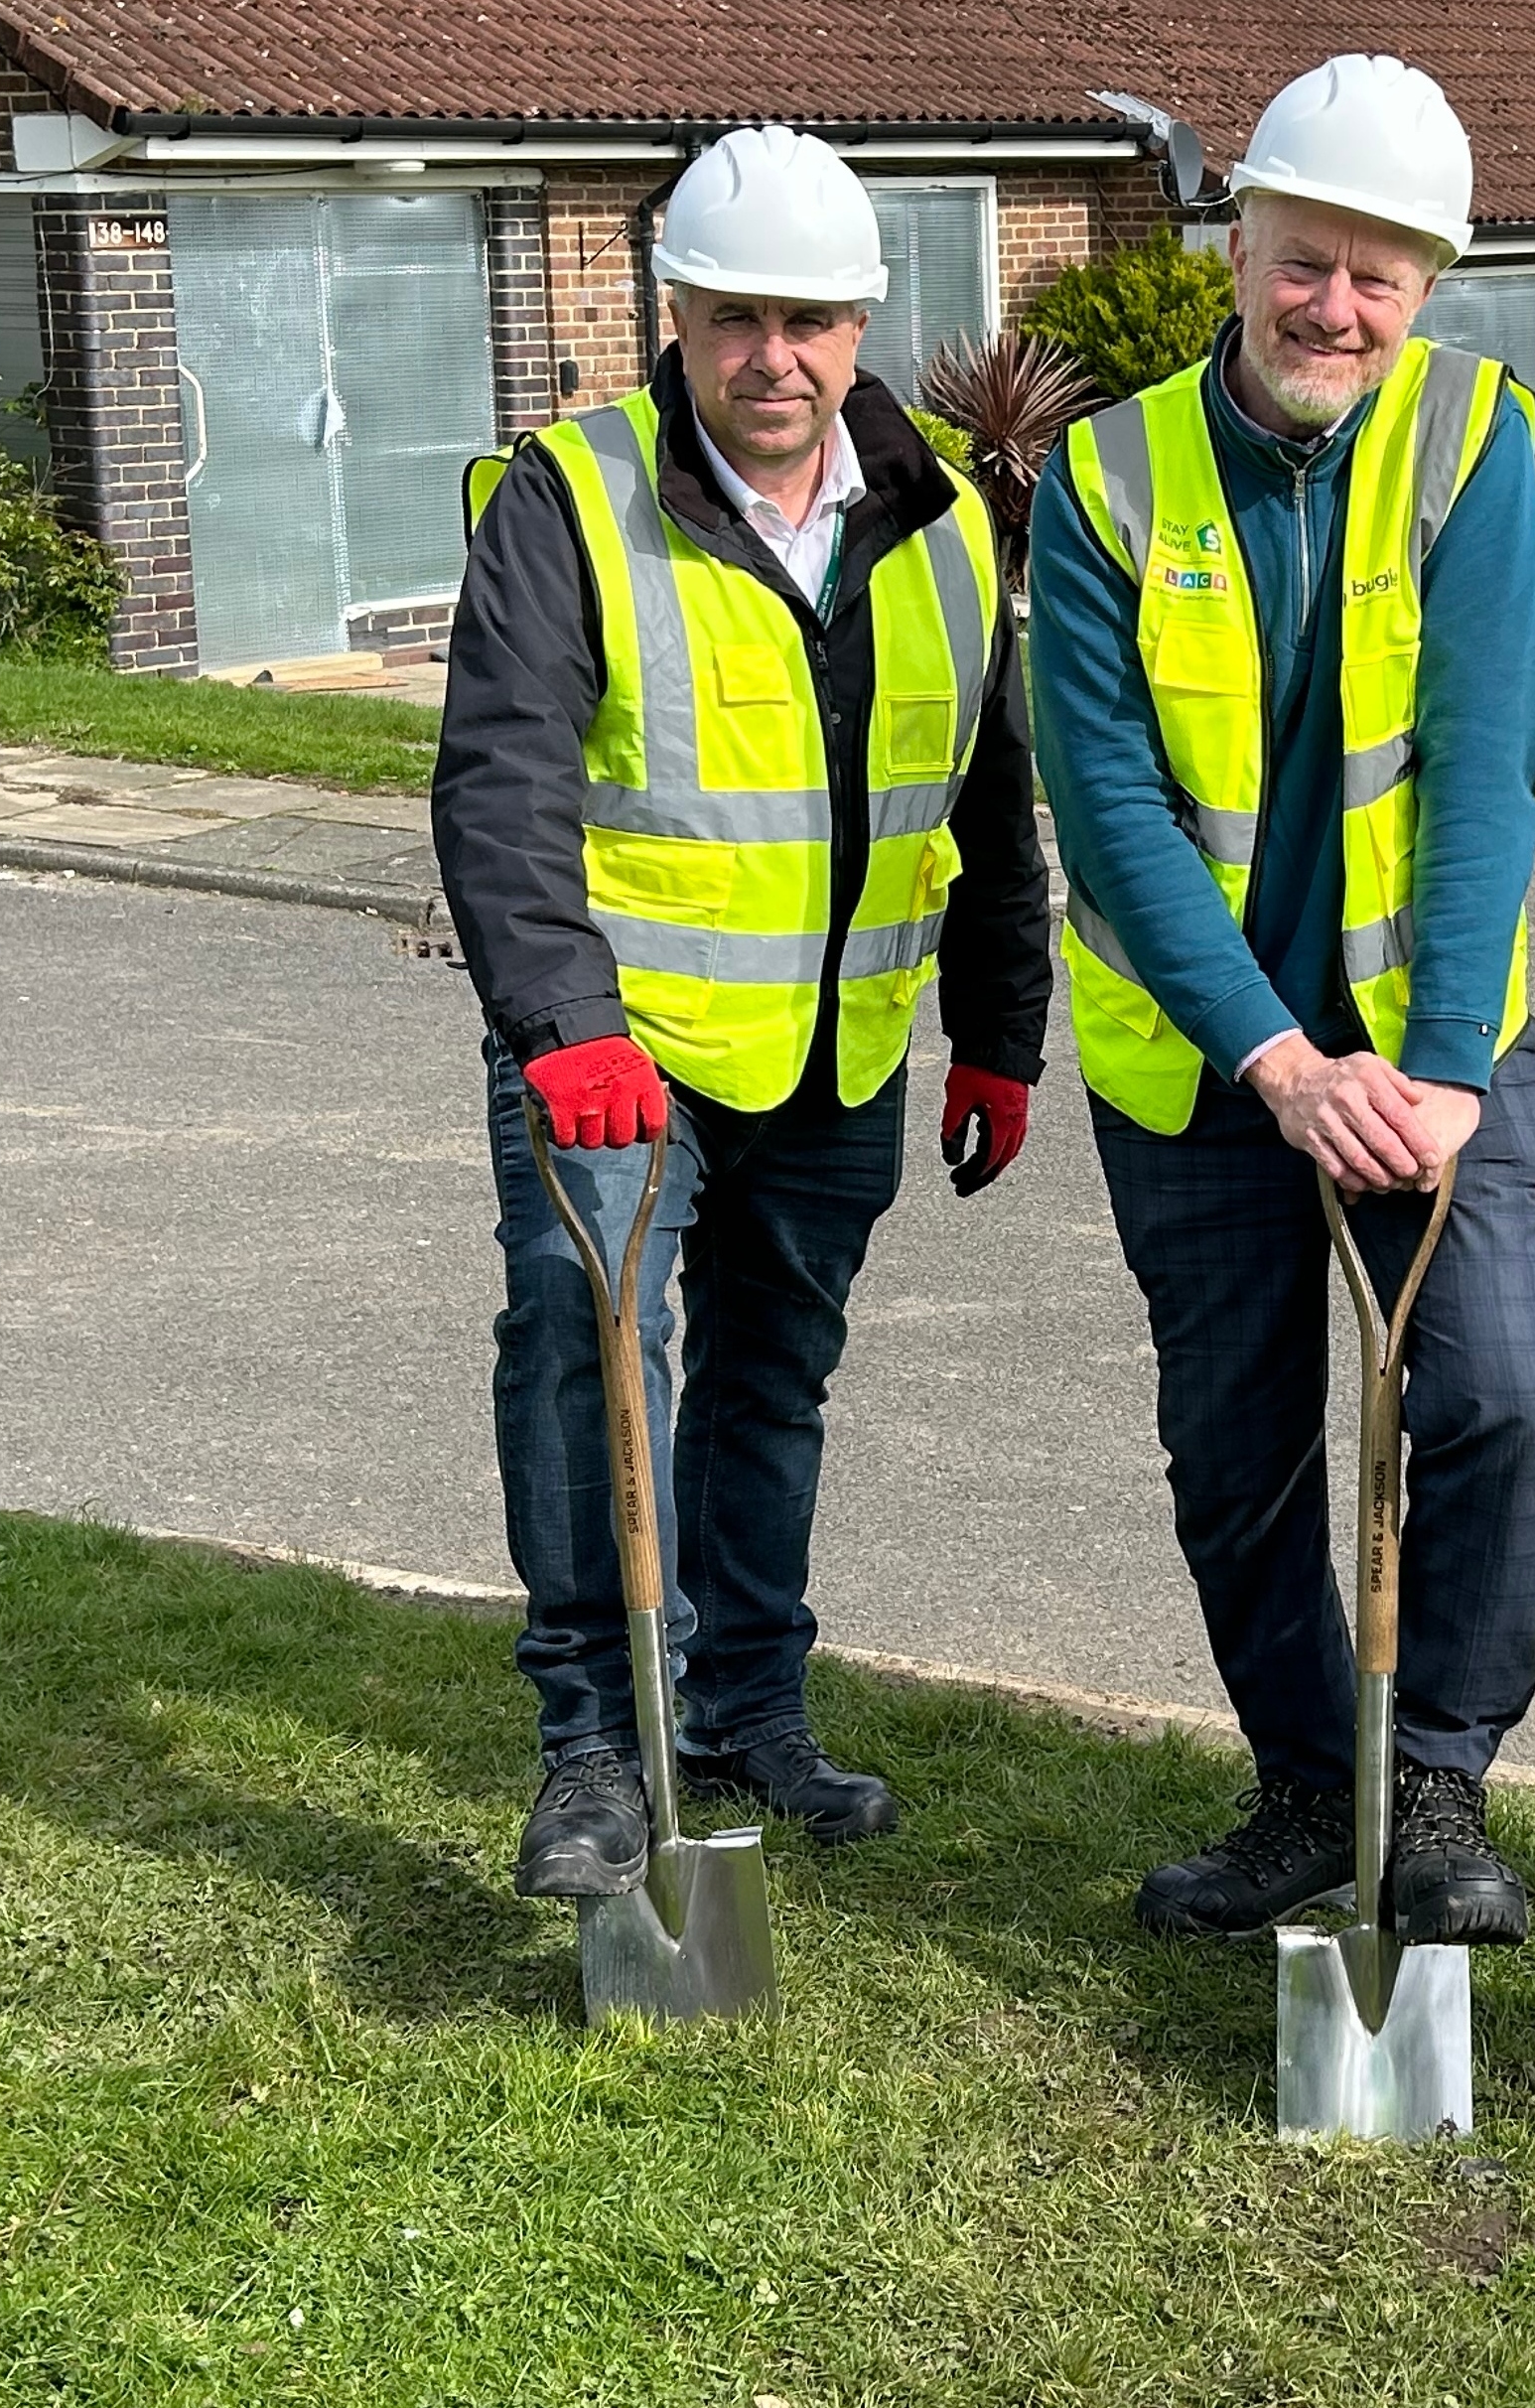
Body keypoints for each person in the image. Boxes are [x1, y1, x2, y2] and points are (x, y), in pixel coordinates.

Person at [433, 125, 1049, 1898]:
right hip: (614, 1051)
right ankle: (592, 1747)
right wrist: (561, 1022)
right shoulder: (572, 493)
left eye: (807, 321)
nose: (770, 356)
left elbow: (989, 797)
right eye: (732, 318)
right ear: (676, 317)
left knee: (773, 1381)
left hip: (839, 1047)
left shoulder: (935, 521)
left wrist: (1000, 1030)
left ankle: (746, 1706)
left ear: (860, 325)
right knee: (585, 1347)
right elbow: (500, 784)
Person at [1026, 56, 1535, 1945]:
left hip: (1435, 1051)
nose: (1332, 308)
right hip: (1203, 1064)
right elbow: (1103, 805)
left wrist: (1428, 1078)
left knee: (1504, 1400)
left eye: (1379, 277)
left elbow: (1490, 757)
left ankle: (1429, 1783)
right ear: (1236, 240)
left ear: (1426, 286)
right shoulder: (1105, 474)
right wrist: (1269, 1053)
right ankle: (1297, 1785)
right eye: (1303, 261)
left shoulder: (1469, 436)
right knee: (1240, 1451)